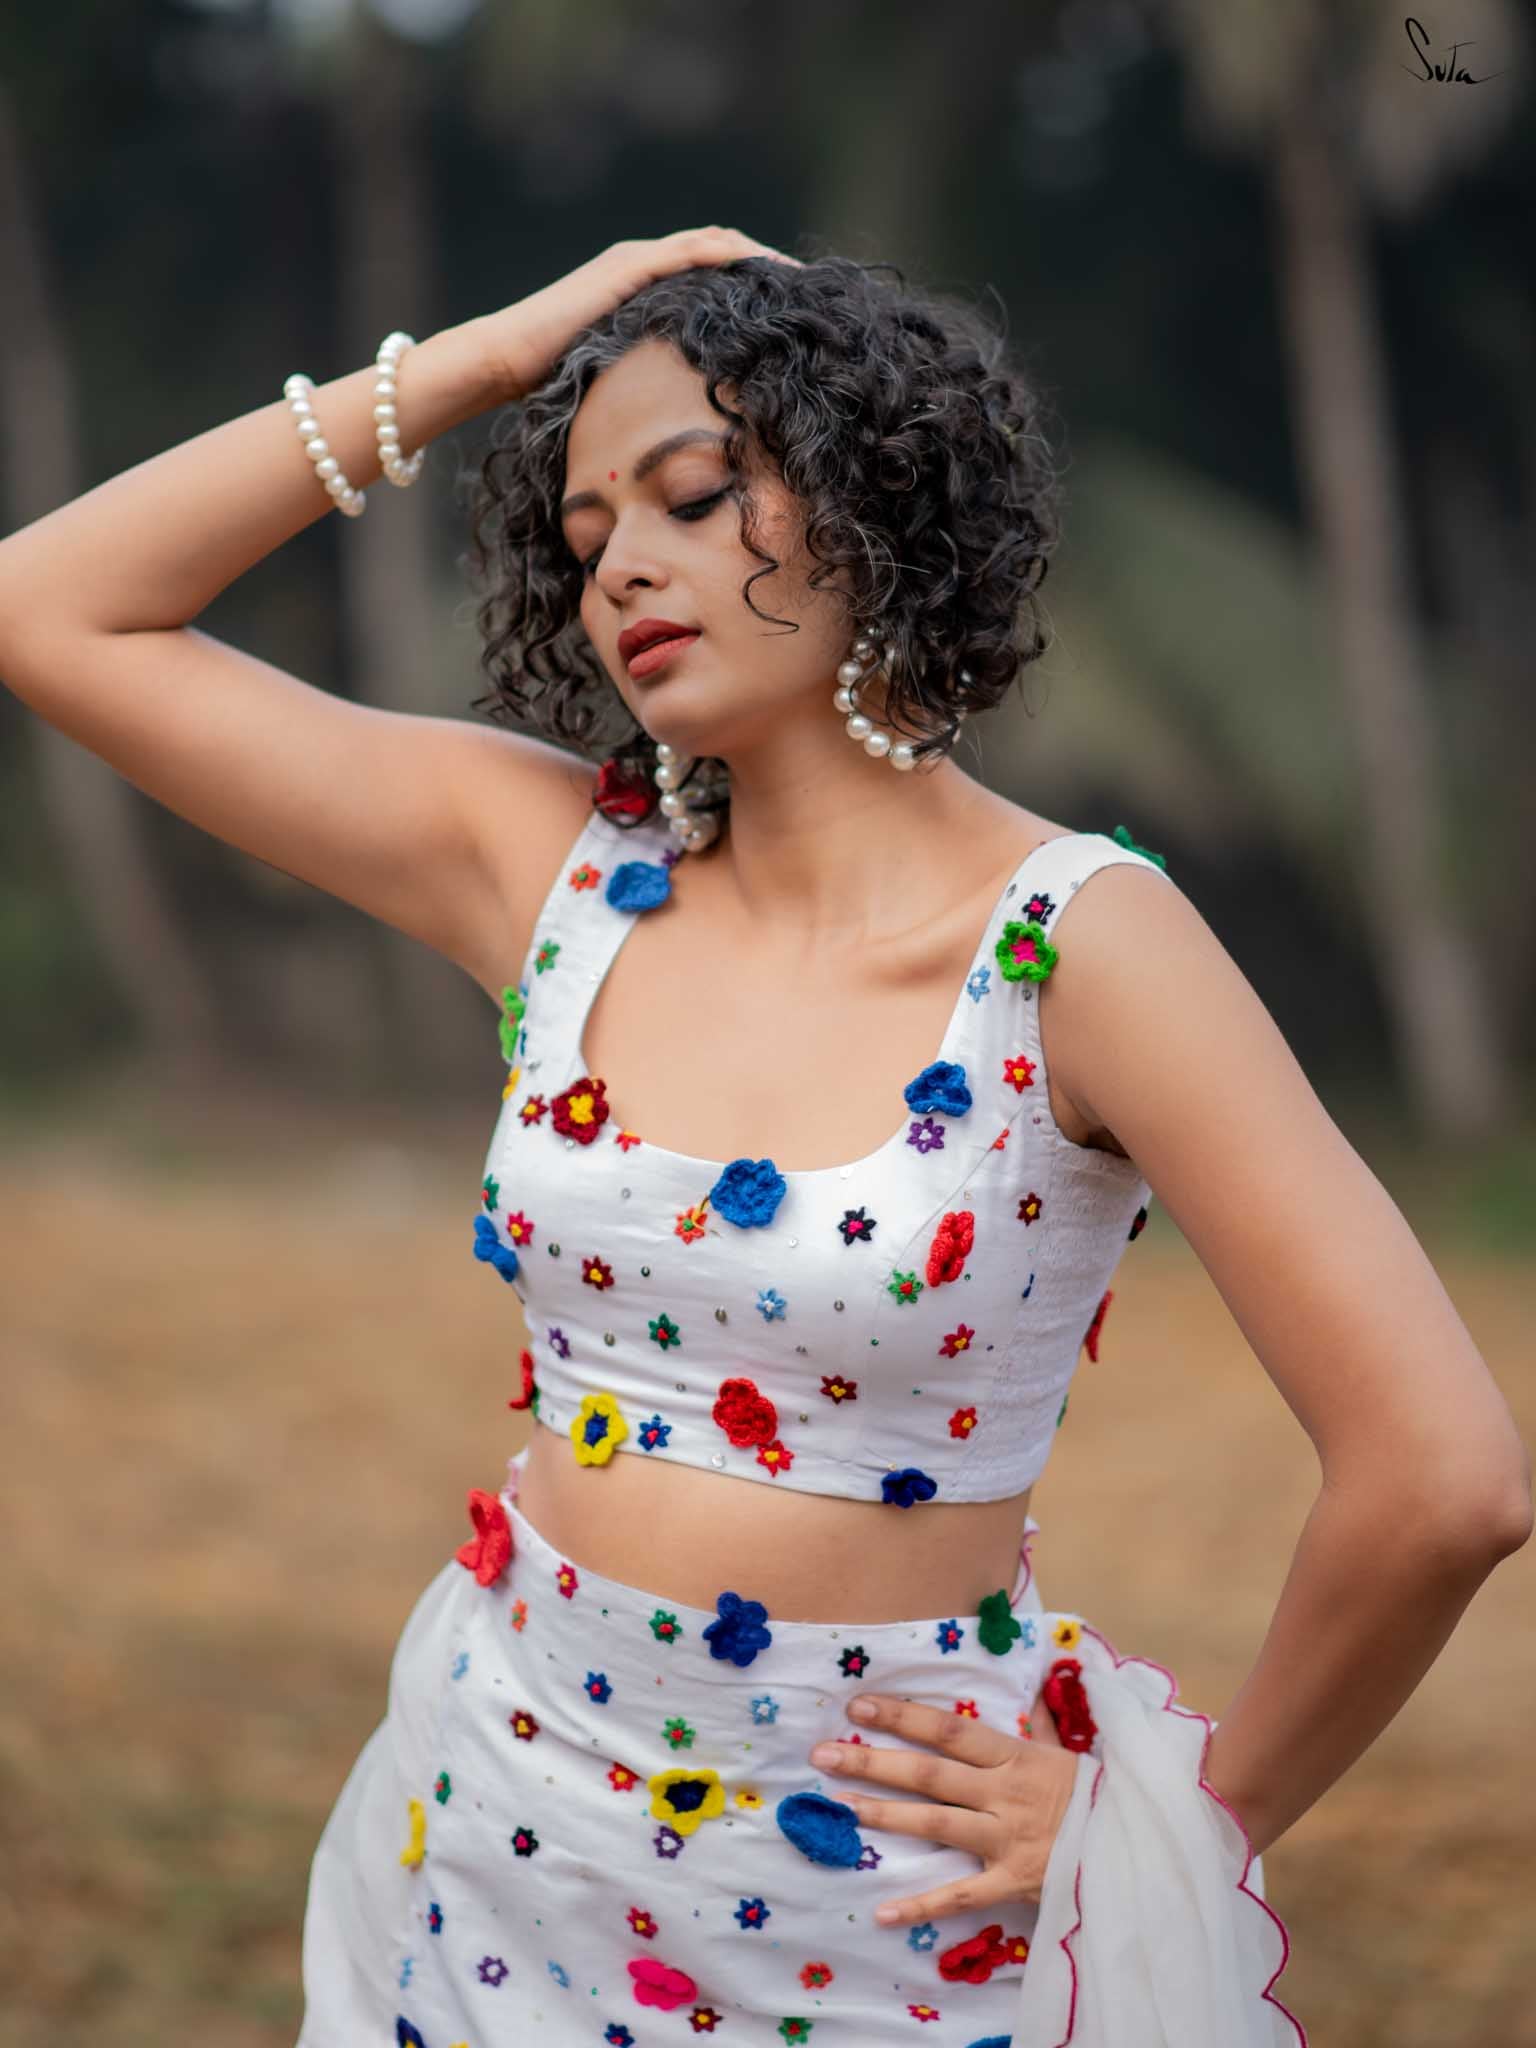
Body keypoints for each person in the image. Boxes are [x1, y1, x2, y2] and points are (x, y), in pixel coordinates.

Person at [1, 227, 1528, 2048]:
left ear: (871, 494)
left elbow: (1443, 1478)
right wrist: (486, 357)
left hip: (881, 1916)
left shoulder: (1080, 951)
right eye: (586, 537)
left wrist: (1186, 1826)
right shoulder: (551, 875)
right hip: (497, 1837)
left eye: (693, 493)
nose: (625, 565)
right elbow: (51, 609)